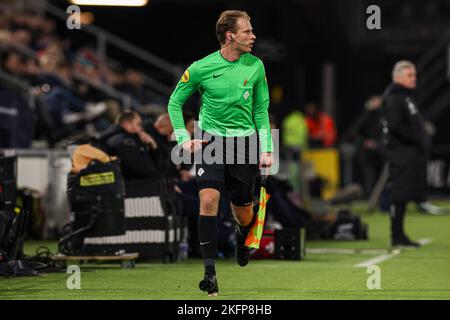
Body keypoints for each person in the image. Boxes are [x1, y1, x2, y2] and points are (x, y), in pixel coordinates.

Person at [167, 10, 272, 296]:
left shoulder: (256, 66)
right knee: (209, 199)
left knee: (243, 212)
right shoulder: (201, 67)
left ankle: (241, 237)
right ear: (230, 35)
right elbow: (174, 103)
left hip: (245, 143)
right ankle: (209, 274)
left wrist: (267, 148)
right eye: (247, 31)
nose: (253, 36)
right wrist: (182, 138)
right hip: (210, 141)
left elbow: (261, 111)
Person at [381, 60, 430, 248]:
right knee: (399, 195)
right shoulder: (394, 97)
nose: (414, 78)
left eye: (414, 75)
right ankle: (396, 235)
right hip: (400, 153)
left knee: (404, 195)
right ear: (399, 77)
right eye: (410, 75)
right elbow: (395, 126)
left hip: (408, 152)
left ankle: (400, 234)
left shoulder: (404, 96)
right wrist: (417, 138)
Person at [102, 110, 160, 180]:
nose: (141, 128)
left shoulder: (128, 138)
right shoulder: (123, 141)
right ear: (127, 125)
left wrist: (153, 146)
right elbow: (142, 169)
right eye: (138, 124)